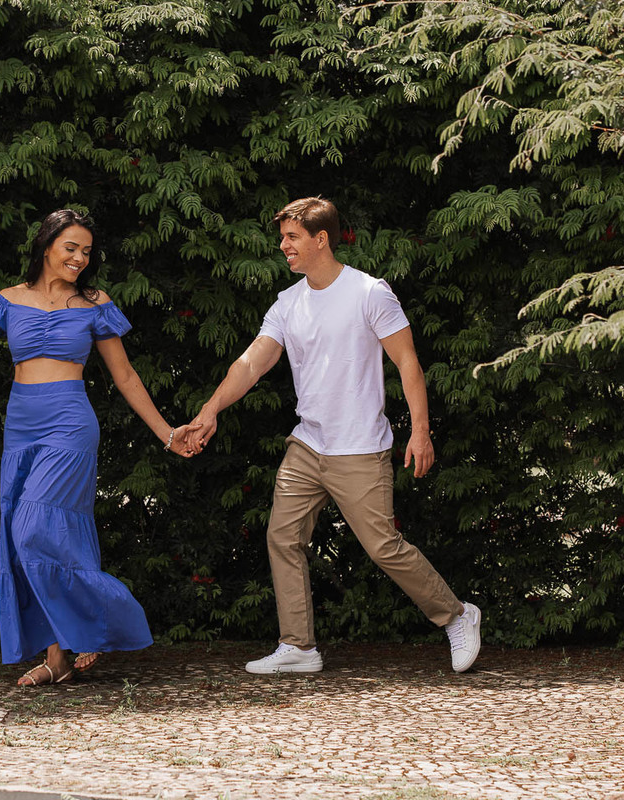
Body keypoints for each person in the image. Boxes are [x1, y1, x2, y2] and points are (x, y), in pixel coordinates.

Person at [0, 209, 199, 686]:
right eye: (71, 247)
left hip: (70, 424)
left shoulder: (94, 304)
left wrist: (167, 433)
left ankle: (94, 622)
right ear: (47, 245)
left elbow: (126, 376)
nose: (79, 258)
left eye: (86, 251)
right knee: (34, 535)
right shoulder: (9, 301)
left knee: (34, 526)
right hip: (22, 426)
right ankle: (57, 659)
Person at [189, 197, 482, 674]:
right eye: (282, 237)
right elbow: (251, 363)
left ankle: (457, 614)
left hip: (360, 446)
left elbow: (407, 361)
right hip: (308, 444)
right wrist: (211, 408)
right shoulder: (288, 303)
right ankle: (298, 647)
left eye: (292, 237)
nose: (283, 246)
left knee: (383, 546)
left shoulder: (369, 293)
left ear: (321, 239)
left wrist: (421, 431)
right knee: (283, 538)